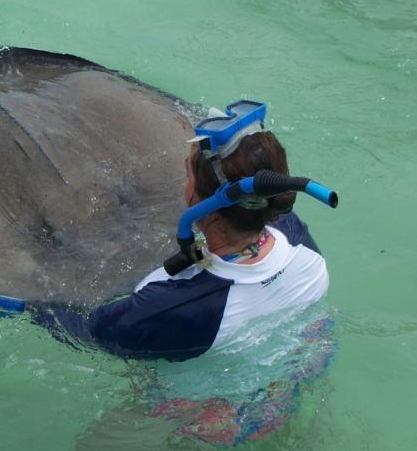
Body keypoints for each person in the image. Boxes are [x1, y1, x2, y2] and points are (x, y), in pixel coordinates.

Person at [32, 100, 331, 360]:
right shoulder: (302, 244)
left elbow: (87, 331)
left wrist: (8, 304)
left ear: (201, 201)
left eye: (188, 173)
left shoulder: (162, 310)